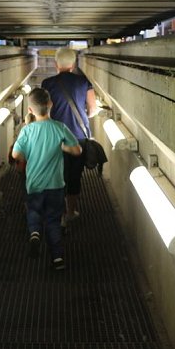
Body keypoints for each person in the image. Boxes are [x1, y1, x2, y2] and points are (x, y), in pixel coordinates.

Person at [11, 88, 82, 270]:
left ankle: (35, 233)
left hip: (34, 184)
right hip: (56, 185)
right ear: (51, 104)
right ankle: (57, 258)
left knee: (34, 211)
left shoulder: (27, 130)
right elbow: (77, 150)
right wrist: (63, 147)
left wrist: (27, 154)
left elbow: (16, 154)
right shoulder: (60, 127)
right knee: (53, 220)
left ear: (30, 110)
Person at [41, 47, 98, 225]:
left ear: (56, 64)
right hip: (78, 137)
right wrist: (80, 115)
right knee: (74, 176)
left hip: (54, 137)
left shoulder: (47, 84)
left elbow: (44, 111)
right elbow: (93, 109)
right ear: (73, 64)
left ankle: (57, 213)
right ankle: (71, 211)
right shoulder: (83, 82)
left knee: (55, 175)